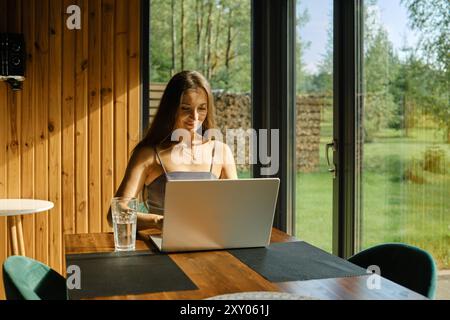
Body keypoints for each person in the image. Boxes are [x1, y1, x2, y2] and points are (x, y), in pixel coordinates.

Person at [107, 71, 238, 230]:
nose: (195, 117)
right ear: (171, 109)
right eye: (185, 108)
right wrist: (158, 221)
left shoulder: (221, 152)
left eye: (201, 108)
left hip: (211, 246)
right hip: (162, 248)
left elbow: (234, 210)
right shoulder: (149, 154)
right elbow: (115, 213)